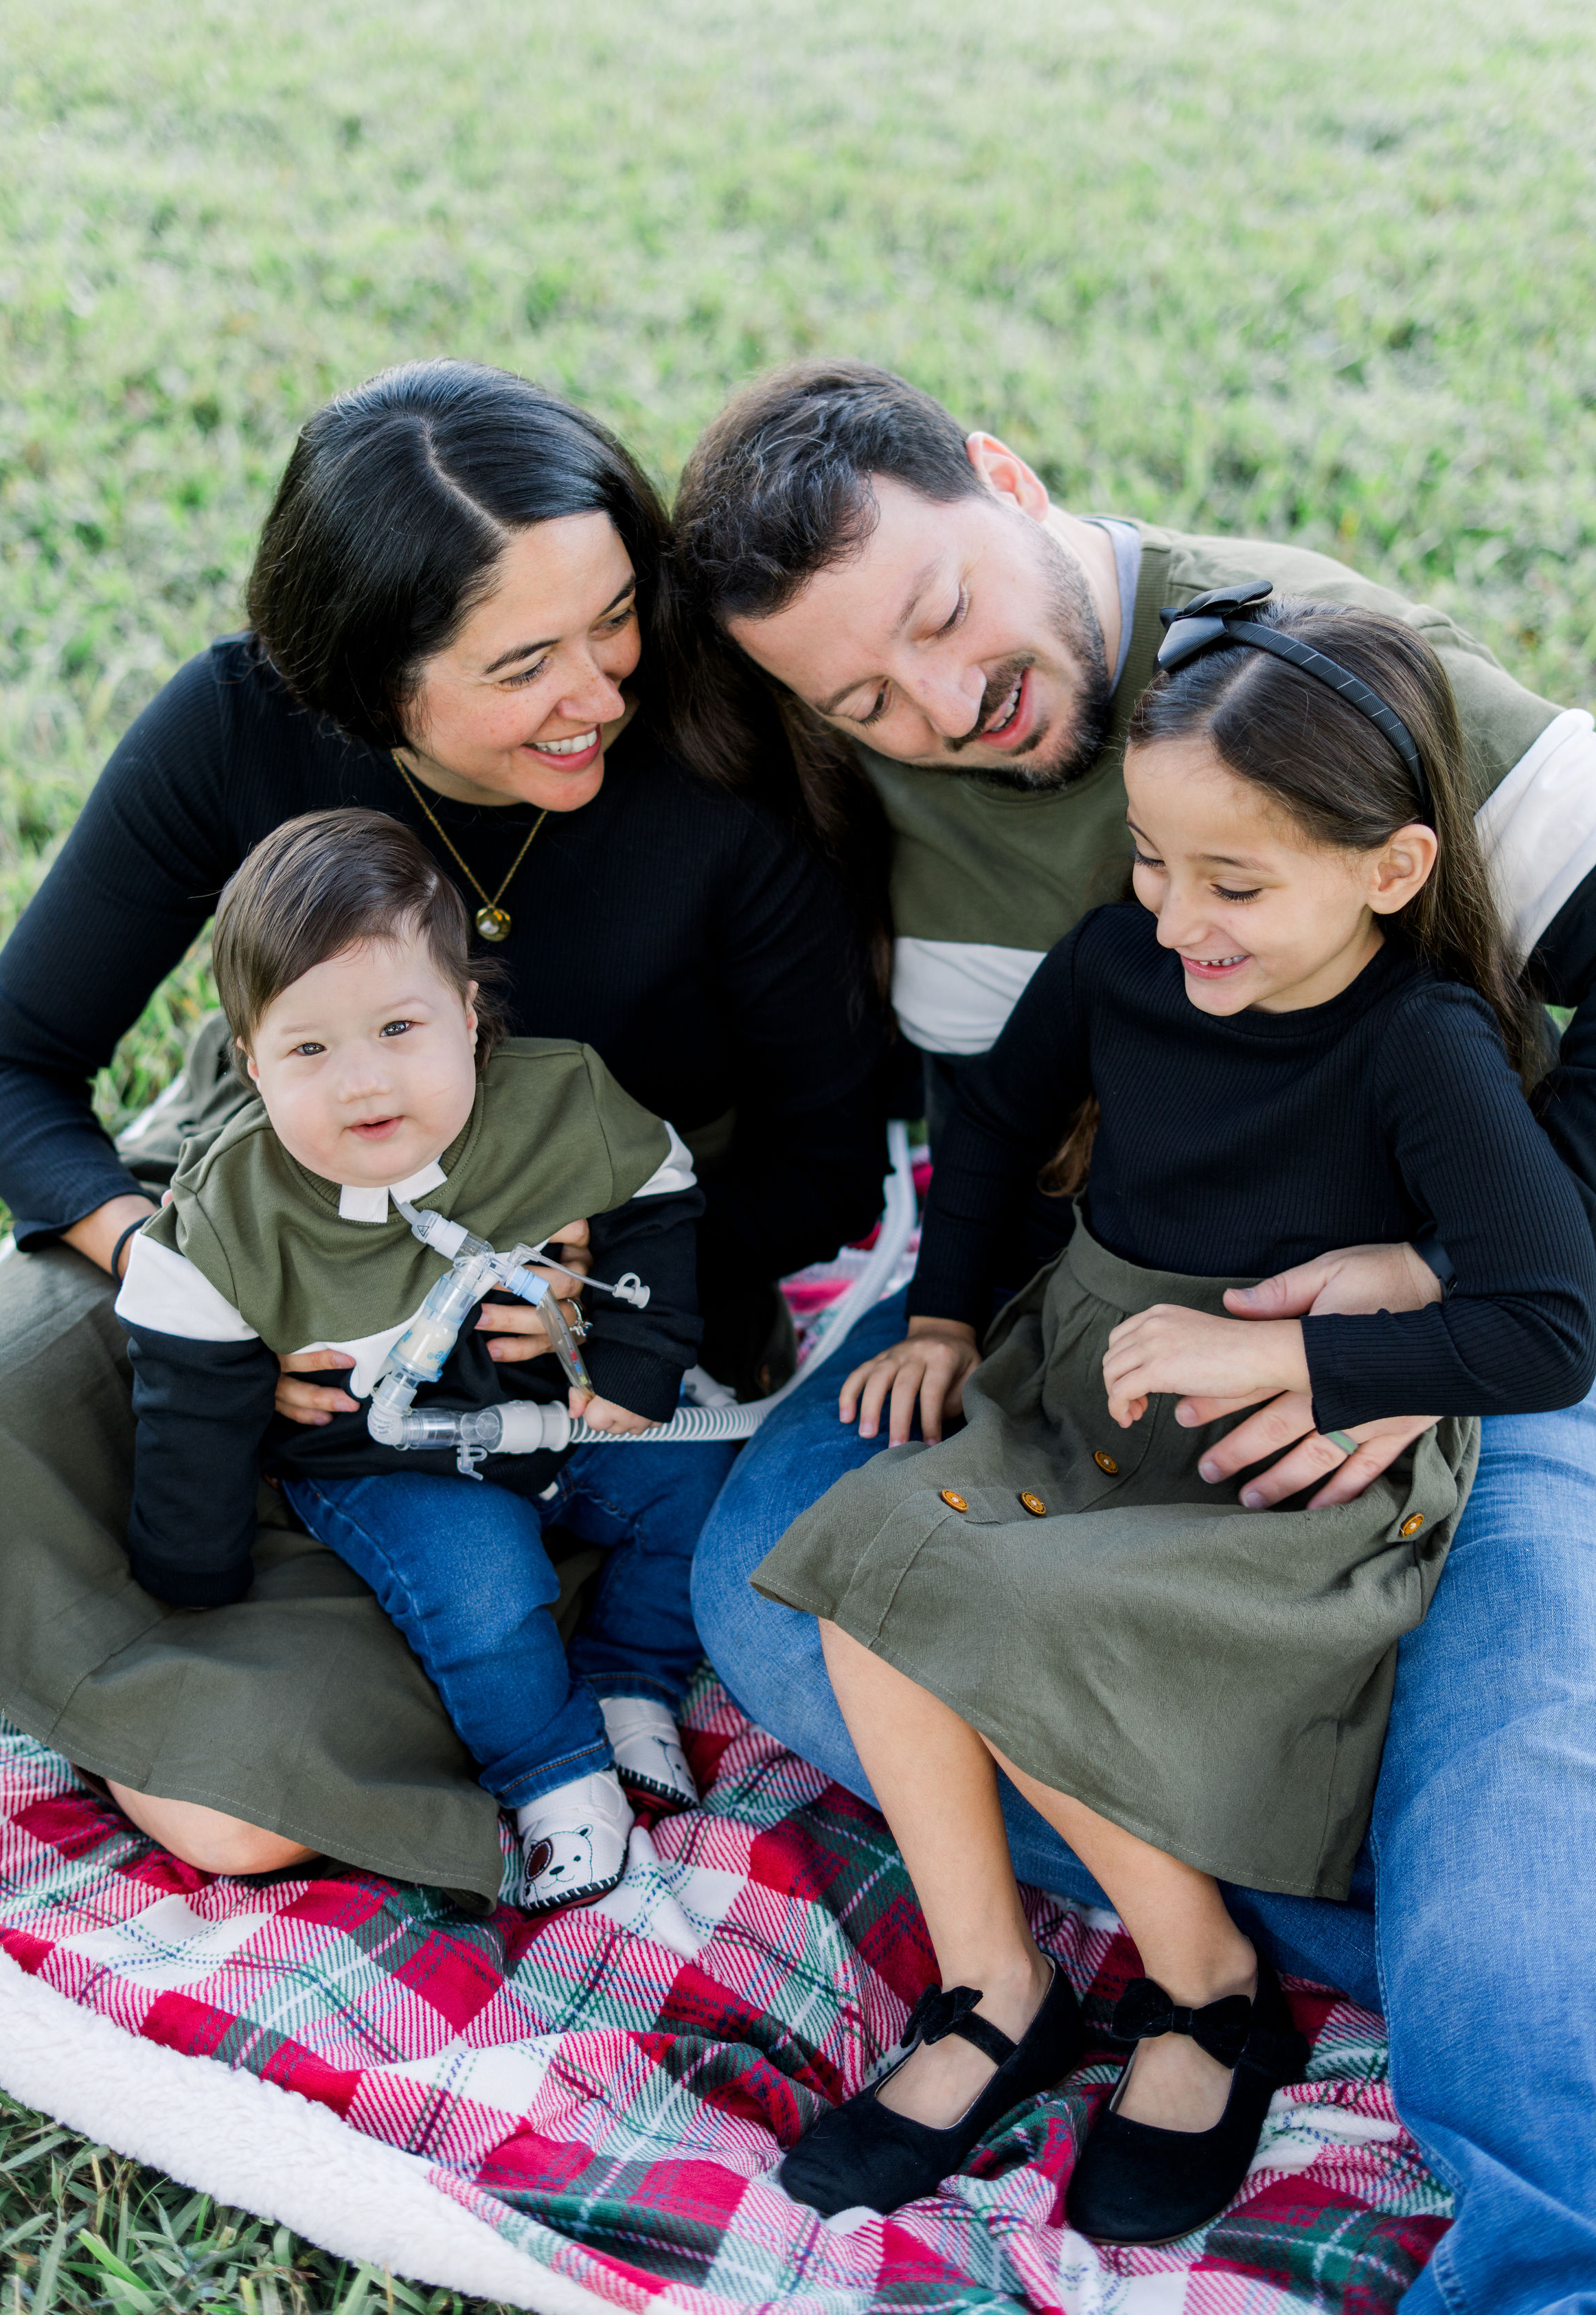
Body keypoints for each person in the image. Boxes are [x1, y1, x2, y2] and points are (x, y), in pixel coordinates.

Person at [673, 365, 1596, 2309]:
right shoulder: (881, 796)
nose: (943, 709)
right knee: (777, 1597)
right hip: (1093, 1318)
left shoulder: (1323, 684)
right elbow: (987, 1126)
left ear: (1006, 480)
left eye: (945, 616)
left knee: (1503, 1864)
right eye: (865, 699)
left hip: (1482, 1320)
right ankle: (1223, 1935)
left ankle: (1472, 1979)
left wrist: (1421, 1284)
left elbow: (1541, 1302)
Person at [0, 359, 889, 1901]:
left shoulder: (719, 785)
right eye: (524, 665)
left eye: (614, 619)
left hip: (568, 1307)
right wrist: (181, 1280)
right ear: (371, 681)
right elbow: (6, 1066)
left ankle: (224, 1675)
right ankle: (163, 1616)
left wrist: (610, 1285)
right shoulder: (234, 724)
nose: (602, 693)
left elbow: (829, 1168)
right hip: (256, 1204)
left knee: (249, 1810)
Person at [119, 808, 736, 1914]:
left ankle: (632, 1679)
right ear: (252, 1064)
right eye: (308, 1050)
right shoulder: (228, 1217)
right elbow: (186, 1398)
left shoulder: (559, 1100)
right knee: (483, 1585)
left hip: (555, 1405)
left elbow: (658, 1196)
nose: (363, 1083)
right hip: (384, 1457)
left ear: (469, 1016)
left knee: (691, 1478)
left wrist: (637, 1366)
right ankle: (552, 1773)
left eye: (399, 1028)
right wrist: (191, 1576)